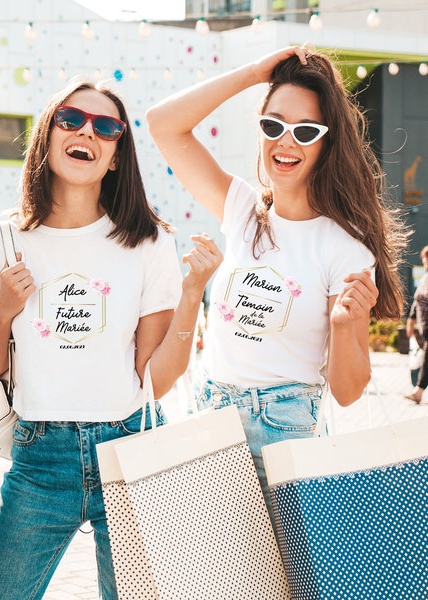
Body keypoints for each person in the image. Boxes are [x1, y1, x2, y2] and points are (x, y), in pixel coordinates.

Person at [0, 77, 221, 599]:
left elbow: (156, 376)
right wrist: (2, 312)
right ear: (48, 134)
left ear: (114, 156)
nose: (87, 130)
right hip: (39, 458)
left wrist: (193, 292)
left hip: (128, 446)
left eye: (106, 127)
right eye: (71, 118)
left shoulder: (148, 242)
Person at [146, 46, 407, 510]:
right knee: (214, 579)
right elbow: (163, 124)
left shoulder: (344, 247)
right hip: (210, 420)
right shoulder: (242, 209)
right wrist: (252, 74)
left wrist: (346, 325)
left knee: (291, 584)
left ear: (327, 144)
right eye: (273, 126)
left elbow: (347, 393)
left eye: (305, 131)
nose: (286, 143)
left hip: (284, 431)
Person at [405, 245, 428, 403]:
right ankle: (418, 391)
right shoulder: (425, 277)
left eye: (427, 258)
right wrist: (410, 321)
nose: (425, 261)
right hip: (424, 326)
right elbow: (417, 300)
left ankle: (418, 391)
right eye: (424, 258)